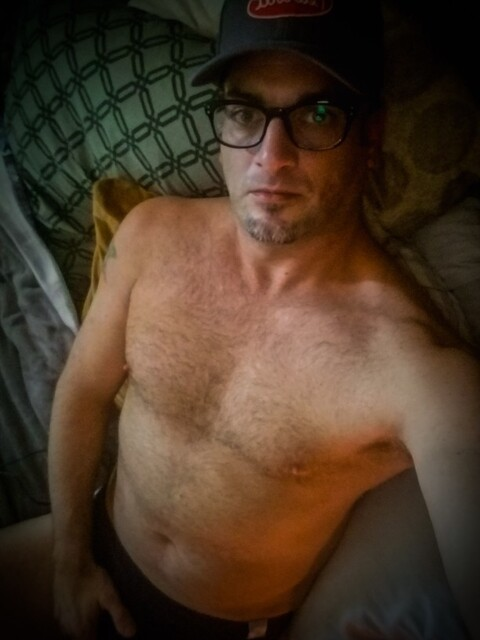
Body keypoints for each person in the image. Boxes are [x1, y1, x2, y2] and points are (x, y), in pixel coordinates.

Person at [1, 0, 479, 638]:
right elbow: (85, 389)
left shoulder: (419, 371)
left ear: (371, 136)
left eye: (316, 114)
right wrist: (70, 560)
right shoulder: (151, 234)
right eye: (244, 112)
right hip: (87, 546)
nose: (270, 157)